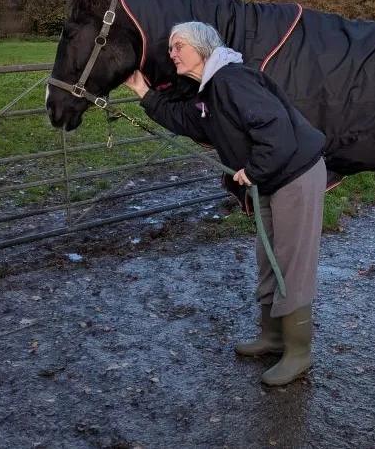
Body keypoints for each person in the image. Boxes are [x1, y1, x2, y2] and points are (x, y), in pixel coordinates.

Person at [122, 21, 327, 386]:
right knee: (268, 256)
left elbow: (275, 128)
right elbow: (185, 119)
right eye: (170, 47)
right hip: (270, 177)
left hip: (295, 173)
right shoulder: (210, 90)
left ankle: (299, 351)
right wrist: (143, 92)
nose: (171, 54)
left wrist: (254, 169)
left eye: (178, 46)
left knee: (291, 260)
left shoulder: (233, 80)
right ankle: (273, 336)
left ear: (202, 47)